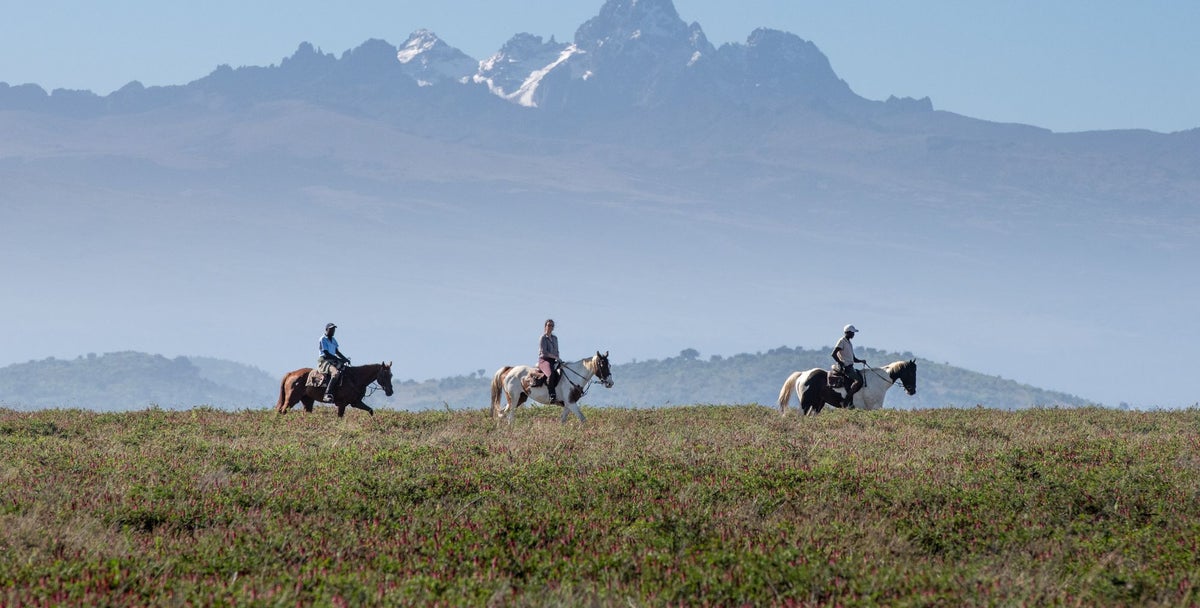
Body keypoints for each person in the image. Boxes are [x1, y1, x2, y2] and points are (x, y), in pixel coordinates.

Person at [831, 324, 867, 407]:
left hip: (850, 366)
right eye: (852, 333)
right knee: (859, 381)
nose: (853, 334)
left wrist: (861, 361)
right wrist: (840, 362)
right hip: (846, 367)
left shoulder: (849, 342)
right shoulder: (842, 341)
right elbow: (833, 354)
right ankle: (846, 400)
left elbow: (853, 359)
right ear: (847, 332)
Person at [319, 322, 351, 402]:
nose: (333, 331)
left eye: (334, 329)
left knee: (346, 371)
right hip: (324, 361)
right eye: (331, 329)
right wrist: (339, 359)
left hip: (333, 360)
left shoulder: (333, 340)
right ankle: (327, 394)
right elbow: (326, 354)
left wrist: (345, 359)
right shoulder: (323, 339)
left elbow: (337, 352)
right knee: (335, 373)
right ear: (326, 329)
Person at [538, 319, 563, 405]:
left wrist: (558, 358)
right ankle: (552, 395)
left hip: (554, 360)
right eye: (549, 325)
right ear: (545, 326)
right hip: (544, 360)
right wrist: (555, 357)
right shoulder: (543, 338)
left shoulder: (555, 338)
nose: (550, 327)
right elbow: (544, 352)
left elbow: (557, 350)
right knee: (551, 374)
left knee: (563, 372)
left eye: (552, 326)